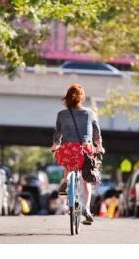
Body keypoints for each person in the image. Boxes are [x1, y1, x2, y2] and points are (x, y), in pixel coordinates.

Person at [51, 83, 104, 223]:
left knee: (68, 164)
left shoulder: (61, 114)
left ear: (67, 98)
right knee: (86, 181)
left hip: (68, 150)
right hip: (85, 150)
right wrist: (99, 146)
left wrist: (55, 146)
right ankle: (86, 208)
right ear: (82, 98)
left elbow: (57, 135)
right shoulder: (89, 113)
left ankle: (65, 181)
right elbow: (96, 132)